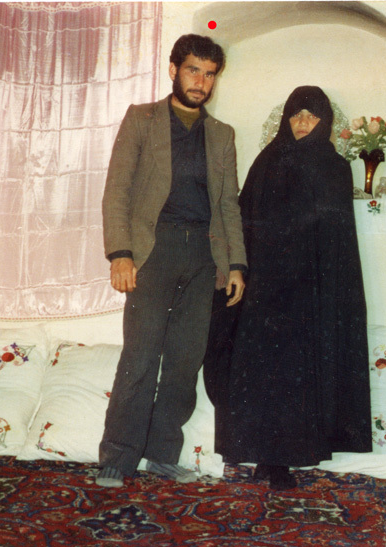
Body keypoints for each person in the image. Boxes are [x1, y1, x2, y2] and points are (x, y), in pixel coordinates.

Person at [203, 86, 372, 490]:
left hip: (310, 291)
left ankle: (286, 459)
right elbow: (243, 219)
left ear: (324, 122)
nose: (302, 123)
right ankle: (263, 456)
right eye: (296, 115)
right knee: (261, 372)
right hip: (265, 288)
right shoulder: (266, 161)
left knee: (299, 374)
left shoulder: (335, 168)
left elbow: (337, 240)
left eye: (311, 116)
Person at [98, 34, 247, 488]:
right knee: (141, 357)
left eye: (209, 74)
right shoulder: (141, 119)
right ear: (173, 70)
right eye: (193, 70)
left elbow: (228, 204)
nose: (201, 81)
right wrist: (120, 253)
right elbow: (117, 189)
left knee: (185, 361)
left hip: (203, 256)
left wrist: (236, 264)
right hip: (153, 251)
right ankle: (117, 458)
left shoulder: (222, 135)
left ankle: (163, 455)